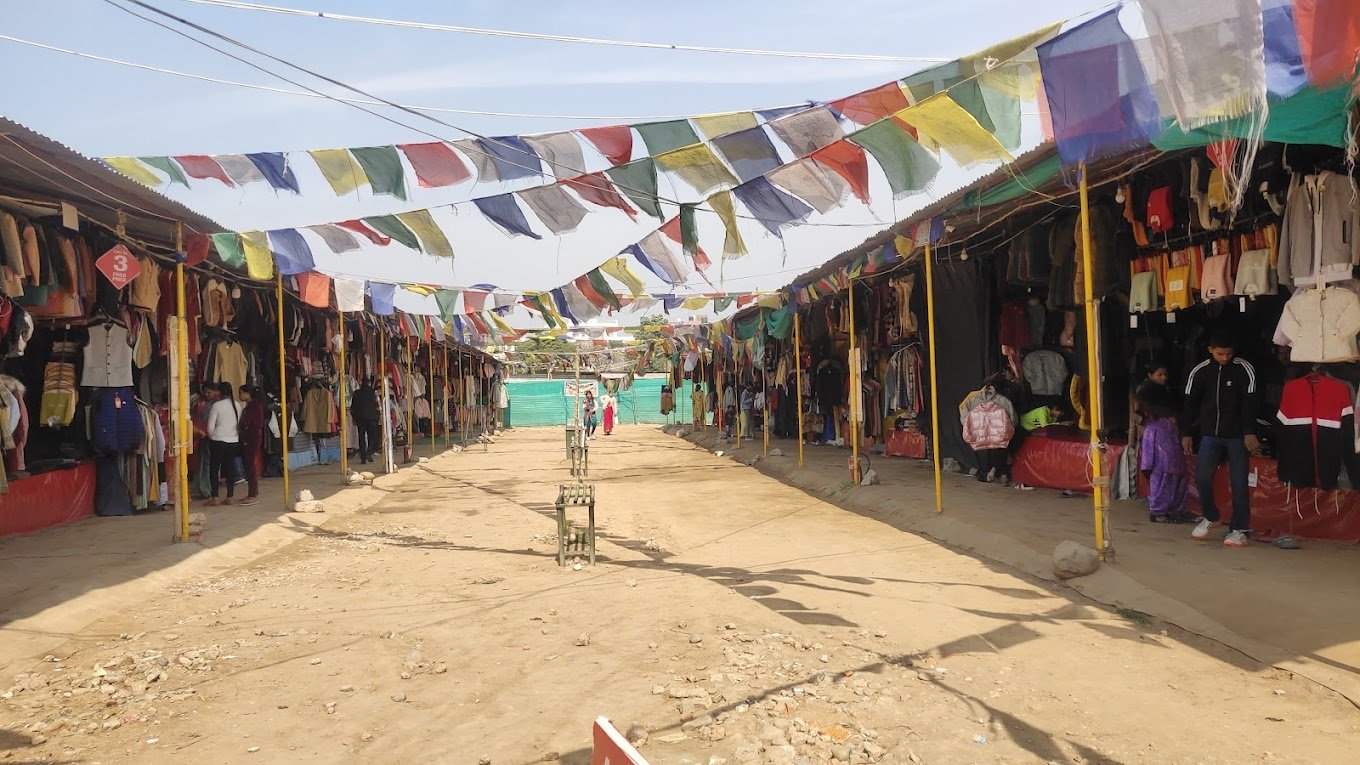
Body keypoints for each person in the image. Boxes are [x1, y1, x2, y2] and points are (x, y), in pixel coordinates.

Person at [1182, 332, 1259, 548]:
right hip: (1210, 436)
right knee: (1202, 477)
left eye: (1228, 354)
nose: (1224, 358)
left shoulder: (1245, 369)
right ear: (1210, 350)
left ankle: (1239, 529)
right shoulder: (1200, 371)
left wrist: (1249, 431)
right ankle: (1211, 516)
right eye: (1220, 354)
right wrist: (1186, 432)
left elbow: (1250, 402)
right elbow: (1189, 404)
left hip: (1237, 437)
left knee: (1239, 483)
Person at [1138, 386, 1191, 523]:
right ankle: (1162, 511)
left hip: (1167, 461)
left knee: (1168, 483)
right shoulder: (1158, 425)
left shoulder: (1159, 424)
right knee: (1164, 483)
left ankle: (1167, 511)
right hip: (1165, 462)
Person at [205, 381, 241, 506]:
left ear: (219, 392)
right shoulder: (237, 405)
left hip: (218, 441)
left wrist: (212, 436)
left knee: (214, 469)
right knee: (230, 469)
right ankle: (230, 496)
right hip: (233, 441)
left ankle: (215, 497)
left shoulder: (217, 406)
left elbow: (210, 426)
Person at [236, 385, 266, 506]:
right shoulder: (253, 405)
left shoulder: (253, 406)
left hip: (251, 438)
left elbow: (245, 422)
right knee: (248, 465)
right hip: (252, 437)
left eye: (241, 393)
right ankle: (251, 493)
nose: (240, 396)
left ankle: (253, 494)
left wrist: (240, 427)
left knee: (250, 465)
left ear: (248, 393)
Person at [350, 378, 381, 463]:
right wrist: (379, 415)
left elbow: (352, 408)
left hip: (360, 419)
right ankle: (369, 452)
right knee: (373, 436)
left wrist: (355, 418)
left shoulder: (356, 393)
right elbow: (378, 405)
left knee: (361, 438)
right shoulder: (373, 393)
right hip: (372, 418)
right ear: (369, 383)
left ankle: (363, 457)